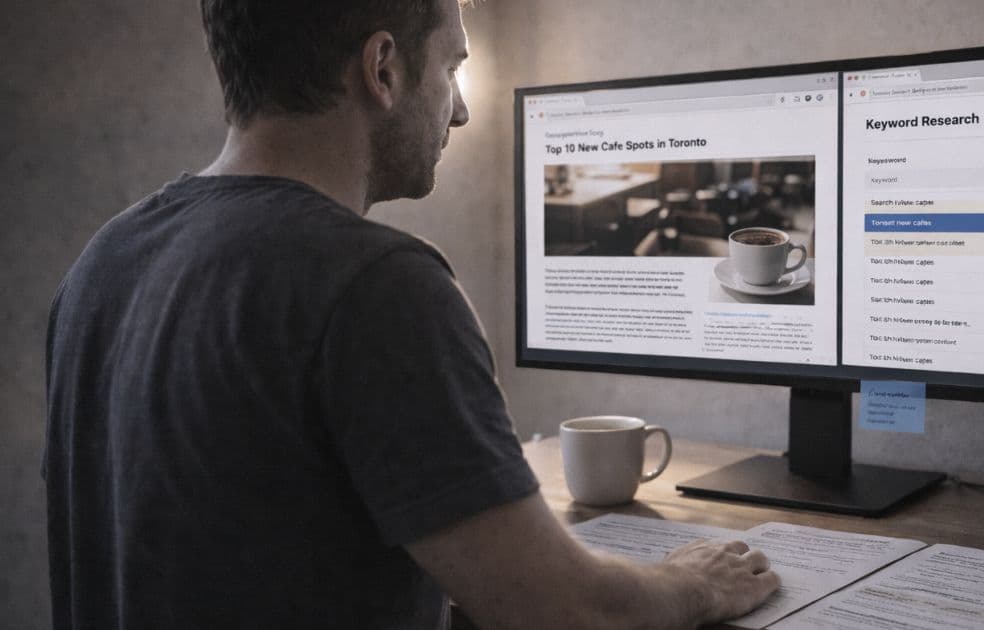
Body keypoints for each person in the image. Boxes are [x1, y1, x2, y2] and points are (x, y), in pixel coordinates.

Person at [42, 0, 781, 628]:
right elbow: (566, 610)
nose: (460, 109)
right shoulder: (375, 284)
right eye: (453, 67)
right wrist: (696, 582)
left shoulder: (105, 261)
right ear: (383, 69)